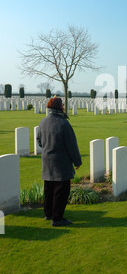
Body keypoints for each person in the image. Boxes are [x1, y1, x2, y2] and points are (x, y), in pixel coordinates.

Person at [37, 97, 82, 227]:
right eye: (62, 104)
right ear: (59, 107)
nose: (63, 106)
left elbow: (39, 141)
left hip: (47, 160)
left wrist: (48, 148)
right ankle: (57, 219)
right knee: (61, 190)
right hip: (61, 162)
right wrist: (77, 162)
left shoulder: (43, 122)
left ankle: (48, 213)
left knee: (49, 188)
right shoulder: (63, 124)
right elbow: (71, 145)